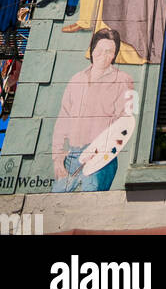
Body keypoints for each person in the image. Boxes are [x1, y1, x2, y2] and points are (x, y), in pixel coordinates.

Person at [52, 28, 134, 193]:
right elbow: (63, 119)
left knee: (89, 206)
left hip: (102, 157)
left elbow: (124, 124)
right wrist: (57, 157)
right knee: (56, 204)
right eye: (100, 50)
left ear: (114, 55)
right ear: (92, 50)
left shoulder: (123, 81)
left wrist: (100, 149)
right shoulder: (77, 80)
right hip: (73, 155)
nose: (103, 55)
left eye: (109, 52)